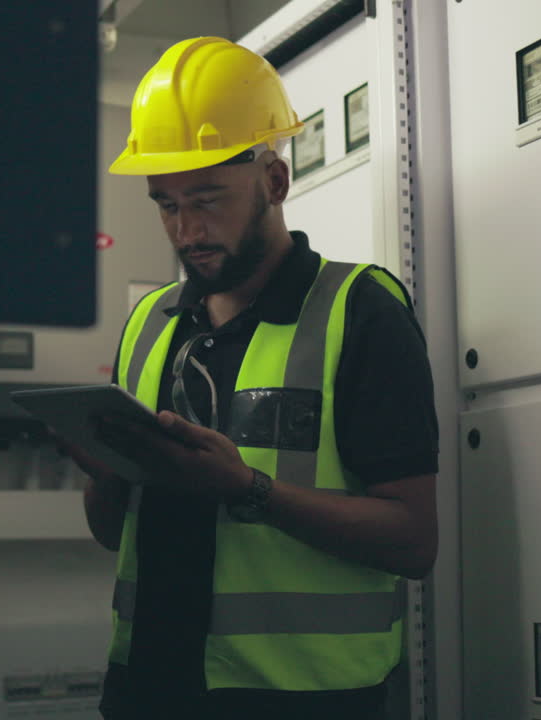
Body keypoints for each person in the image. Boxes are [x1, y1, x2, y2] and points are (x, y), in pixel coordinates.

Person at [69, 36, 439, 720]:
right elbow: (109, 532)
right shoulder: (150, 322)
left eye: (207, 199)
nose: (186, 230)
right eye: (167, 204)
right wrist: (106, 473)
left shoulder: (359, 313)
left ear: (274, 180)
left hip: (303, 702)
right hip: (146, 688)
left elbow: (414, 541)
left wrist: (247, 491)